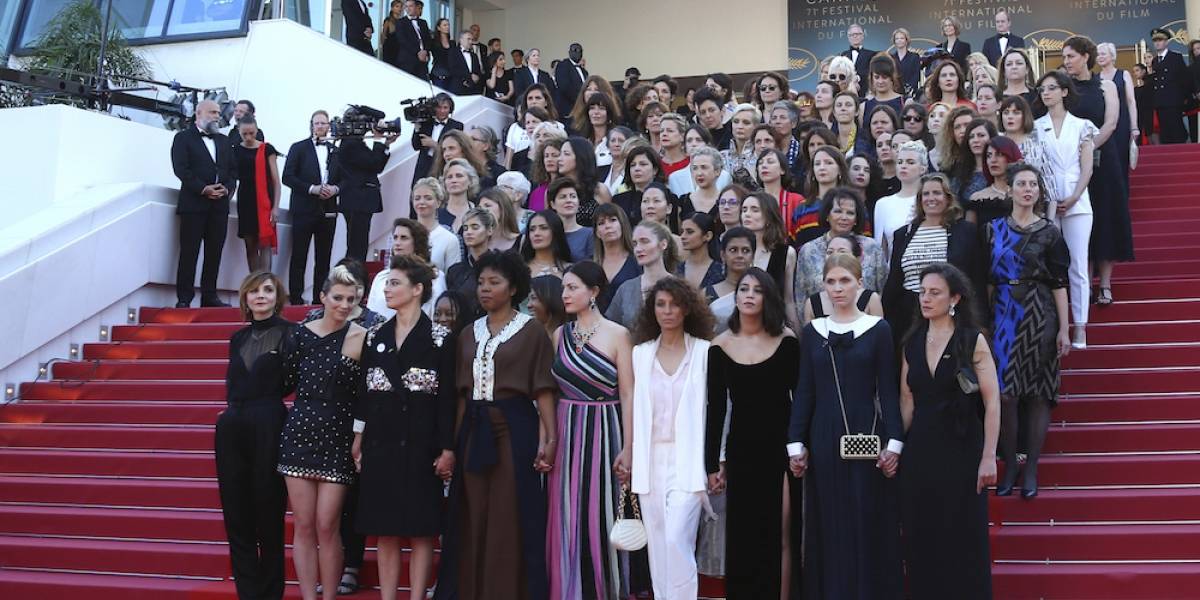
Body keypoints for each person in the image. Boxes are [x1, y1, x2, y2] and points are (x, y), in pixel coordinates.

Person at [434, 251, 557, 600]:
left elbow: (543, 388)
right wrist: (452, 445)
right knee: (471, 512)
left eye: (495, 283)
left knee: (508, 514)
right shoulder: (467, 333)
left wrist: (550, 438)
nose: (485, 289)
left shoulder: (531, 331)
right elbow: (460, 394)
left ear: (513, 287)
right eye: (482, 283)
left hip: (515, 427)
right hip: (473, 428)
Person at [788, 252, 904, 600]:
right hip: (823, 437)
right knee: (828, 520)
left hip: (868, 432)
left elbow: (888, 388)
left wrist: (894, 444)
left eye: (845, 281)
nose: (838, 288)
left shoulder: (879, 329)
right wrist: (795, 444)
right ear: (823, 286)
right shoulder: (812, 332)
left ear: (860, 284)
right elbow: (804, 389)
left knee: (867, 518)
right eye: (831, 282)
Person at [352, 255, 454, 600]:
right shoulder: (374, 336)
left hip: (421, 444)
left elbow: (447, 400)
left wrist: (447, 448)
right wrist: (359, 438)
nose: (387, 288)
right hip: (380, 442)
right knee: (385, 530)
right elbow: (364, 395)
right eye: (386, 282)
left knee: (422, 530)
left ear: (418, 289)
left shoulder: (441, 338)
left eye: (395, 282)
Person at [899, 263, 999, 597]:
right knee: (922, 535)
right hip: (921, 452)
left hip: (962, 448)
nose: (925, 299)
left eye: (934, 292)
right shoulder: (911, 342)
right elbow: (907, 402)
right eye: (922, 292)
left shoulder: (972, 340)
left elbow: (993, 401)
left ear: (954, 298)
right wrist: (895, 448)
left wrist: (988, 457)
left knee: (962, 536)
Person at [705, 267, 800, 599]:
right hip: (742, 451)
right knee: (744, 535)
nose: (748, 295)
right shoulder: (719, 346)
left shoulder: (787, 341)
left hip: (781, 448)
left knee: (781, 532)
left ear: (767, 297)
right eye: (743, 289)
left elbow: (800, 400)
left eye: (757, 291)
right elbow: (715, 410)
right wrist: (712, 464)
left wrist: (798, 448)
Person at [546, 261, 634, 600]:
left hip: (606, 429)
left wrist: (629, 446)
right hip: (567, 430)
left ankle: (604, 589)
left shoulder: (618, 334)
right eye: (564, 288)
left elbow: (627, 392)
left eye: (572, 287)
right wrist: (550, 439)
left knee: (603, 510)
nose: (565, 294)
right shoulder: (559, 334)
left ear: (594, 292)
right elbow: (552, 392)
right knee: (566, 511)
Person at [278, 266, 366, 600]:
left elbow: (364, 396)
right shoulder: (300, 335)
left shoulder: (360, 336)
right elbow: (284, 382)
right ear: (323, 298)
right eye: (338, 298)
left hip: (340, 435)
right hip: (300, 431)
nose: (345, 304)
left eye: (351, 299)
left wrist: (360, 436)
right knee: (303, 524)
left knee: (328, 525)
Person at [623, 277, 714, 600]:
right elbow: (633, 406)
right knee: (658, 546)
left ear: (687, 308)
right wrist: (628, 450)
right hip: (649, 458)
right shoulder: (641, 354)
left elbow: (716, 409)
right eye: (660, 304)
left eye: (674, 304)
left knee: (677, 539)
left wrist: (718, 460)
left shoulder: (704, 352)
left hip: (688, 459)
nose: (667, 310)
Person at [986, 165, 1071, 499]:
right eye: (1021, 184)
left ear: (1038, 191)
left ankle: (1032, 467)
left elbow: (1059, 283)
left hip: (1040, 311)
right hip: (1004, 310)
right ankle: (1010, 465)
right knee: (1005, 394)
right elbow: (989, 281)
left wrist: (1065, 328)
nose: (1027, 189)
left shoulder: (1050, 233)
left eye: (1032, 185)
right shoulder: (992, 230)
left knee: (1037, 393)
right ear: (1010, 190)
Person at [217, 272, 293, 600]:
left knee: (269, 510)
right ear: (245, 298)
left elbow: (293, 382)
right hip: (232, 424)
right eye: (254, 291)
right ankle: (248, 592)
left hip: (269, 422)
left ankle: (270, 593)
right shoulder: (237, 338)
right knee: (236, 512)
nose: (260, 296)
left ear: (278, 297)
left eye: (267, 290)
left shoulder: (291, 334)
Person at [882, 174, 986, 352]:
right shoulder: (903, 234)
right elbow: (894, 280)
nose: (931, 198)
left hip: (951, 312)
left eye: (937, 193)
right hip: (908, 313)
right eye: (926, 194)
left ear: (948, 198)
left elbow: (976, 277)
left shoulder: (965, 231)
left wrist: (982, 321)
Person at [1035, 70, 1096, 349]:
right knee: (1050, 264)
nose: (1045, 93)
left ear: (1064, 91)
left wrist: (1074, 196)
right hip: (1047, 200)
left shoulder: (1082, 125)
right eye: (1042, 89)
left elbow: (1087, 167)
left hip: (1078, 200)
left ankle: (1081, 325)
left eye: (1051, 88)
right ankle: (1056, 325)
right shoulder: (1035, 127)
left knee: (1078, 265)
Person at [171, 99, 237, 308]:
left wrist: (226, 189)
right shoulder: (183, 138)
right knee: (189, 252)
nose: (218, 116)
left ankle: (209, 296)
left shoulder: (224, 141)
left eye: (218, 113)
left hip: (219, 206)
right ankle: (184, 299)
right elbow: (181, 169)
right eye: (213, 112)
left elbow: (232, 171)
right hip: (193, 205)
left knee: (214, 251)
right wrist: (203, 189)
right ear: (198, 113)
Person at [1094, 41, 1138, 305]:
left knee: (1120, 164)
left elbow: (1130, 101)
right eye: (1097, 53)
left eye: (1103, 53)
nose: (1101, 57)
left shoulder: (1122, 75)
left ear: (1112, 56)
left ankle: (1122, 196)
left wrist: (1134, 128)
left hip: (1120, 125)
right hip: (1102, 126)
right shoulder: (1095, 79)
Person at [284, 110, 340, 305]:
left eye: (323, 123)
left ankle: (319, 299)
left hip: (328, 210)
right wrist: (311, 189)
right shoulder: (298, 147)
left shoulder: (336, 150)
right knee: (299, 256)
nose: (320, 126)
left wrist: (335, 189)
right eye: (317, 123)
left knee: (323, 259)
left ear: (329, 126)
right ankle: (296, 299)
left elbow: (344, 179)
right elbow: (287, 177)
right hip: (303, 210)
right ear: (311, 125)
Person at [795, 187, 887, 300]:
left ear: (856, 219)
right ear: (827, 215)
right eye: (838, 211)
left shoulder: (872, 248)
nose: (844, 217)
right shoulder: (808, 251)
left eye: (850, 213)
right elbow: (800, 296)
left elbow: (883, 291)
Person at [740, 191, 799, 329]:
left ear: (769, 216)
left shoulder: (785, 253)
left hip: (774, 327)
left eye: (755, 210)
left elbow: (788, 300)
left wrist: (797, 334)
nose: (747, 214)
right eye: (744, 210)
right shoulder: (734, 251)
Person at [606, 221, 679, 330]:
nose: (638, 249)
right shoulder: (626, 289)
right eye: (635, 244)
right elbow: (610, 328)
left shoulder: (680, 287)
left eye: (645, 241)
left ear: (663, 244)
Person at [366, 219, 445, 319]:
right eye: (395, 238)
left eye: (404, 238)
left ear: (417, 243)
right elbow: (371, 312)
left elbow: (435, 311)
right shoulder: (381, 277)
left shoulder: (434, 276)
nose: (397, 243)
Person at [800, 234, 884, 328]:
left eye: (842, 251)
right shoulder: (812, 303)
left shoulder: (871, 299)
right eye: (830, 252)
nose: (835, 255)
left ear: (858, 257)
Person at [338, 128, 396, 261]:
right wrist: (377, 140)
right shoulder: (350, 144)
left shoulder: (357, 144)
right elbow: (374, 163)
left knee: (360, 244)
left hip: (361, 202)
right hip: (356, 201)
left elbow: (377, 166)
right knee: (357, 246)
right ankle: (353, 275)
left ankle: (355, 273)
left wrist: (386, 144)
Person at [231, 117, 280, 273]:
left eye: (251, 133)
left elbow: (276, 181)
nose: (248, 137)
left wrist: (275, 208)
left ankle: (265, 282)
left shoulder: (267, 149)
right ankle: (254, 284)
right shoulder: (236, 150)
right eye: (244, 134)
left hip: (264, 201)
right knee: (250, 245)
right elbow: (231, 176)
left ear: (257, 131)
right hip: (246, 200)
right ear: (239, 132)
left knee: (264, 243)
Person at [998, 96, 1056, 205]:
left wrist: (1050, 219)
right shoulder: (995, 143)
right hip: (999, 205)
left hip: (1033, 207)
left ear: (1025, 116)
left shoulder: (1038, 146)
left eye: (1016, 112)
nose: (1010, 117)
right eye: (1006, 113)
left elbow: (1049, 184)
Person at [875, 141, 928, 258]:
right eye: (900, 162)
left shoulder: (929, 201)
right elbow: (881, 251)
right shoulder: (882, 204)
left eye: (910, 162)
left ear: (923, 169)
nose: (903, 166)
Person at [445, 208, 496, 313]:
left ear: (489, 230)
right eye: (465, 228)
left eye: (475, 227)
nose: (469, 232)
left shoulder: (500, 266)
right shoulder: (454, 271)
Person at [593, 203, 640, 313]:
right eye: (601, 223)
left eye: (613, 220)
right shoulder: (590, 264)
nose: (608, 226)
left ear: (622, 224)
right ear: (597, 232)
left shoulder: (638, 261)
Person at [1147, 28, 1192, 144]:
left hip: (1173, 100)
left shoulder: (1175, 57)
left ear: (1166, 42)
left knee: (1176, 129)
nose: (1157, 43)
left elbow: (1184, 79)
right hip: (1160, 101)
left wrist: (1184, 98)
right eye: (1155, 40)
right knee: (1165, 132)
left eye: (1160, 40)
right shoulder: (1155, 61)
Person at [706, 226, 754, 332]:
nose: (740, 255)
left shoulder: (763, 291)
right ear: (723, 255)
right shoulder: (706, 294)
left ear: (753, 256)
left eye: (745, 250)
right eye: (733, 250)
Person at [410, 178, 463, 272]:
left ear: (438, 202)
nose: (421, 202)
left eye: (428, 198)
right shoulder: (403, 235)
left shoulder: (450, 239)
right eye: (417, 198)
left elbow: (453, 277)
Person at [612, 145, 666, 222]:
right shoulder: (618, 200)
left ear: (655, 170)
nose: (637, 169)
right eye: (633, 165)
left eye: (643, 164)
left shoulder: (667, 197)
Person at [547, 178, 595, 262]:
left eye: (573, 196)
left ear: (578, 202)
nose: (569, 200)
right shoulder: (546, 233)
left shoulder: (590, 234)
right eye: (563, 197)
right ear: (553, 204)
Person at [676, 213, 723, 291]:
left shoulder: (720, 271)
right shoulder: (677, 269)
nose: (683, 236)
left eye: (690, 232)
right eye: (682, 232)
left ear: (707, 236)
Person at [522, 210, 574, 279]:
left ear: (556, 232)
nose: (536, 233)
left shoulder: (572, 269)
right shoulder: (520, 269)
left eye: (544, 228)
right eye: (532, 229)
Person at [391, 0, 431, 79]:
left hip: (422, 62)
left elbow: (428, 39)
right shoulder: (401, 22)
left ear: (416, 8)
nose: (408, 8)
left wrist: (425, 51)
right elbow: (402, 40)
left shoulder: (423, 23)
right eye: (406, 6)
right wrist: (417, 52)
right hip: (407, 61)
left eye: (411, 6)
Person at [440, 158, 482, 231]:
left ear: (470, 181)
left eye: (459, 176)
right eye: (449, 177)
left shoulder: (479, 213)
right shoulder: (436, 214)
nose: (454, 180)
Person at [555, 43, 589, 117]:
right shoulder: (563, 65)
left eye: (580, 51)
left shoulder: (584, 71)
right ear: (569, 52)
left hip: (583, 108)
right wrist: (580, 100)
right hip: (569, 108)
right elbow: (564, 87)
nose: (578, 53)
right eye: (575, 50)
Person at [449, 29, 483, 95]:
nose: (471, 42)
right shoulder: (453, 52)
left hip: (473, 89)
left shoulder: (474, 55)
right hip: (458, 88)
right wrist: (469, 76)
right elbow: (452, 69)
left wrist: (477, 77)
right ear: (461, 39)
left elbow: (478, 71)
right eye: (468, 39)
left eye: (472, 40)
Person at [890, 28, 921, 98]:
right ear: (894, 41)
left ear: (906, 40)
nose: (899, 40)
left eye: (902, 38)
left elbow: (916, 76)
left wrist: (908, 90)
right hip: (893, 93)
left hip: (910, 94)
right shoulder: (890, 58)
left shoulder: (914, 57)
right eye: (897, 38)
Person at [429, 18, 453, 89]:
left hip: (451, 76)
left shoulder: (452, 43)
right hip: (438, 75)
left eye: (448, 25)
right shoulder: (433, 42)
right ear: (439, 28)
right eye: (445, 25)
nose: (447, 27)